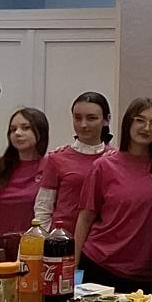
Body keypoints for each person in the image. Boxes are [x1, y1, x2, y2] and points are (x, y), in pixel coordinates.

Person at [75, 98, 152, 293]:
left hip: (148, 275)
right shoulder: (104, 166)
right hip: (101, 266)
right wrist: (73, 266)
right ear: (128, 122)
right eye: (140, 120)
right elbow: (85, 218)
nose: (147, 128)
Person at [33, 92, 112, 237]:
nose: (83, 124)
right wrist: (43, 242)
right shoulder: (57, 158)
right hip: (62, 240)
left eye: (91, 118)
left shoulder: (114, 159)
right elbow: (43, 208)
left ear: (106, 120)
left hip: (101, 240)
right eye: (77, 118)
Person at [0, 108, 49, 255]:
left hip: (34, 252)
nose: (18, 133)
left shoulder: (50, 168)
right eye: (13, 129)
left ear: (41, 131)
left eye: (25, 128)